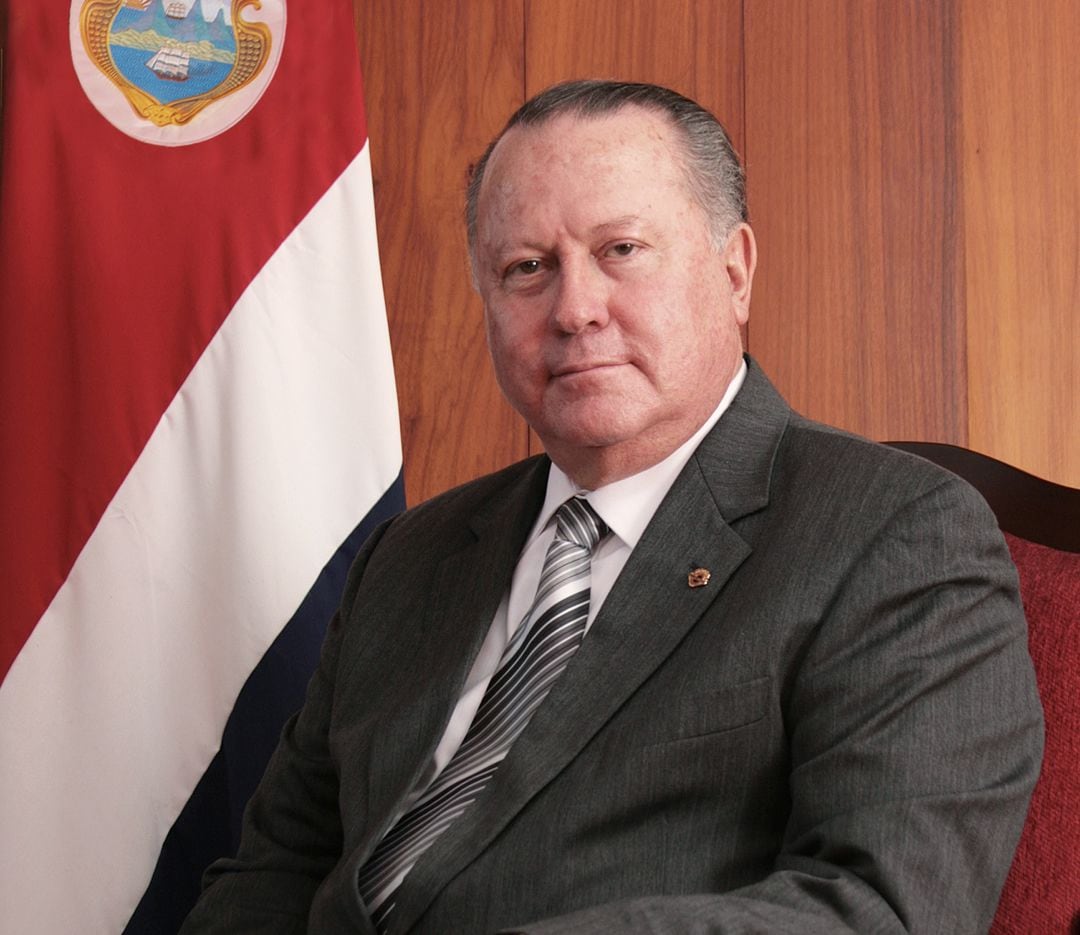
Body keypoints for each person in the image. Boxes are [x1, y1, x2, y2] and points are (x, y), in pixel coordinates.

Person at [180, 80, 1043, 934]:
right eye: (528, 268)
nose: (575, 309)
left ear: (735, 271)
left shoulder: (897, 533)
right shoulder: (409, 556)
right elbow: (275, 873)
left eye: (621, 250)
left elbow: (879, 908)